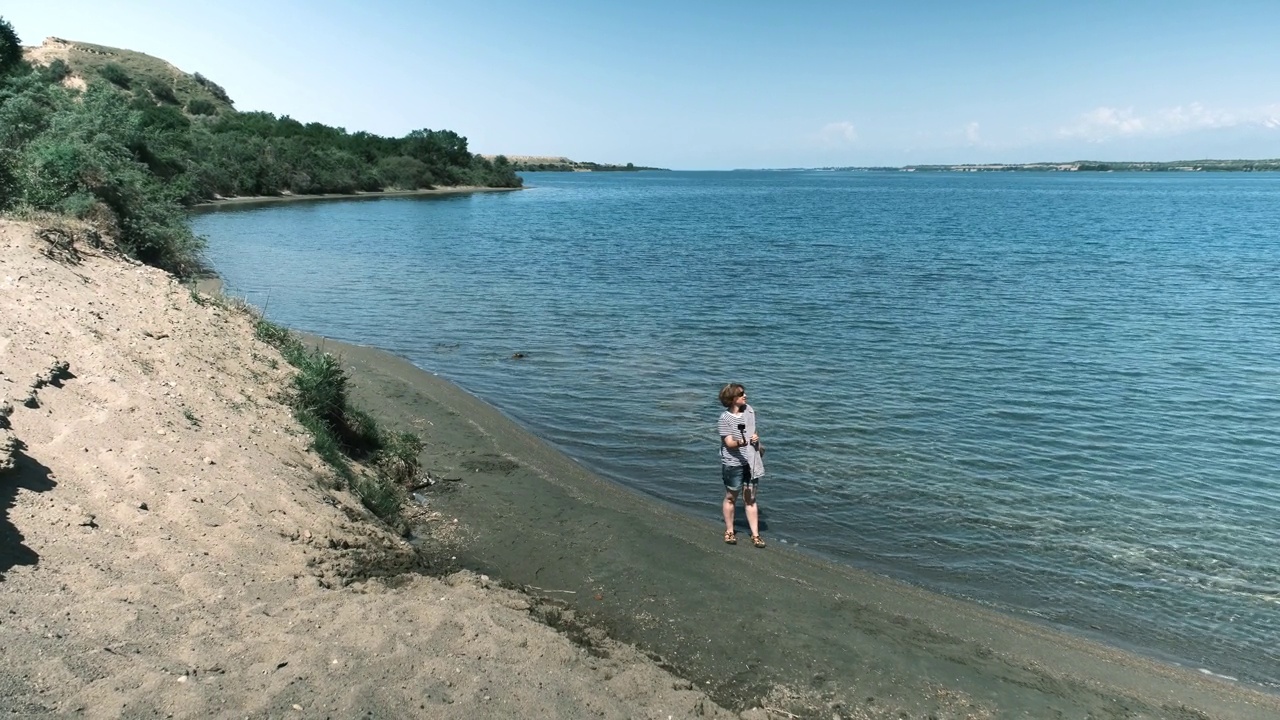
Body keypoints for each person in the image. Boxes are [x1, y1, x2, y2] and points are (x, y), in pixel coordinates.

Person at [717, 383, 766, 548]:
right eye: (741, 394)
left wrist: (756, 440)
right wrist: (743, 442)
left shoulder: (749, 411)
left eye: (744, 393)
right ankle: (730, 530)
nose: (745, 395)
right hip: (733, 463)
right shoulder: (725, 419)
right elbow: (729, 443)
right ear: (732, 399)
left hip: (751, 462)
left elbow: (754, 431)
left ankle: (755, 534)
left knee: (750, 499)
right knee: (731, 497)